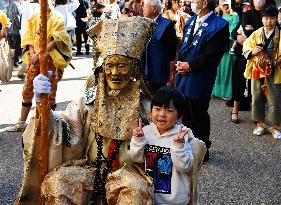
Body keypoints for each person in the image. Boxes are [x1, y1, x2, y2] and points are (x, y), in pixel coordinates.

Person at [13, 16, 156, 204]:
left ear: (134, 69)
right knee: (57, 183)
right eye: (110, 66)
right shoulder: (89, 103)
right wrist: (42, 105)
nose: (114, 73)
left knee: (135, 193)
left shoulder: (147, 108)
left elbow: (165, 142)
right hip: (90, 169)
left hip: (129, 173)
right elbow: (63, 129)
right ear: (102, 69)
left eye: (122, 66)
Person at [174, 0, 229, 161]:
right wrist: (179, 61)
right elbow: (183, 44)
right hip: (183, 72)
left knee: (198, 113)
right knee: (184, 112)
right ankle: (187, 145)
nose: (191, 2)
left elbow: (212, 56)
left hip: (200, 76)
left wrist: (190, 66)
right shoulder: (191, 19)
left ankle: (203, 148)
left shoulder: (219, 25)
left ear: (204, 2)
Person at [5, 0, 72, 132]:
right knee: (28, 89)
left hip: (50, 61)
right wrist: (32, 52)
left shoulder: (56, 17)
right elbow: (29, 36)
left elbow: (56, 38)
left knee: (49, 92)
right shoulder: (35, 17)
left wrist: (41, 53)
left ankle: (48, 123)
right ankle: (21, 123)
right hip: (35, 61)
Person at [129, 86, 194, 205]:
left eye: (169, 110)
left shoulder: (181, 135)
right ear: (151, 111)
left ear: (179, 116)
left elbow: (184, 167)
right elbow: (136, 158)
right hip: (149, 195)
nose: (162, 114)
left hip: (174, 199)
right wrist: (138, 140)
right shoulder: (146, 132)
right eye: (157, 109)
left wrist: (178, 146)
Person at [243, 6, 281, 139]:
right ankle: (260, 123)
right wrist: (253, 51)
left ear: (277, 18)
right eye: (266, 18)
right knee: (257, 96)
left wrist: (277, 60)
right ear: (262, 19)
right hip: (258, 70)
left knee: (275, 98)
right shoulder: (257, 33)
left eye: (272, 18)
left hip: (275, 69)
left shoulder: (280, 33)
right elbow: (246, 45)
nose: (269, 21)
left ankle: (275, 126)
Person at [143, 0, 178, 94]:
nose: (143, 9)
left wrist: (171, 76)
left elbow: (172, 52)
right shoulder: (144, 23)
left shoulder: (166, 25)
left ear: (154, 9)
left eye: (145, 6)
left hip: (160, 74)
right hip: (146, 72)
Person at [212, 0, 239, 99]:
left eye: (227, 4)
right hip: (218, 46)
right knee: (218, 69)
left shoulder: (234, 16)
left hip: (228, 46)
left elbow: (233, 32)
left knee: (227, 69)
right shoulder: (218, 16)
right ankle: (217, 92)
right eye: (223, 4)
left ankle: (226, 93)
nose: (226, 6)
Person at [7, 0, 22, 68]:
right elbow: (16, 17)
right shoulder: (15, 4)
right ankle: (16, 61)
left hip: (10, 30)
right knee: (17, 46)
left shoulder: (9, 4)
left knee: (12, 46)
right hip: (15, 30)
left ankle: (13, 62)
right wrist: (20, 26)